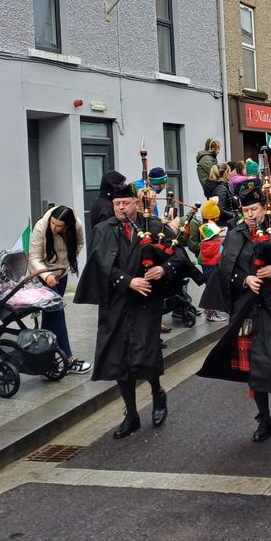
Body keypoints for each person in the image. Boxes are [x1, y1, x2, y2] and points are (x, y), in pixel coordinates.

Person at [198, 191, 271, 441]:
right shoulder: (234, 234)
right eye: (245, 210)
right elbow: (225, 269)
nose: (250, 215)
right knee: (254, 366)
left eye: (254, 209)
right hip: (246, 309)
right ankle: (264, 419)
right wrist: (245, 279)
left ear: (265, 207)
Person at [75, 182, 188, 439]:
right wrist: (128, 281)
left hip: (146, 302)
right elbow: (100, 265)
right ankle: (132, 414)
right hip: (116, 302)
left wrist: (164, 269)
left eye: (125, 203)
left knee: (144, 355)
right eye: (116, 204)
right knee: (118, 358)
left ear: (137, 203)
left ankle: (157, 392)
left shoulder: (154, 227)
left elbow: (180, 255)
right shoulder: (103, 230)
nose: (121, 208)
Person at [28, 205, 91, 374]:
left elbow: (79, 243)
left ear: (67, 226)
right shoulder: (42, 226)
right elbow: (33, 257)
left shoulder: (76, 226)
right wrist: (47, 276)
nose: (54, 228)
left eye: (59, 226)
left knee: (50, 317)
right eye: (53, 224)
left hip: (61, 274)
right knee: (57, 312)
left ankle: (45, 359)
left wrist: (66, 265)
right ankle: (68, 359)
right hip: (43, 275)